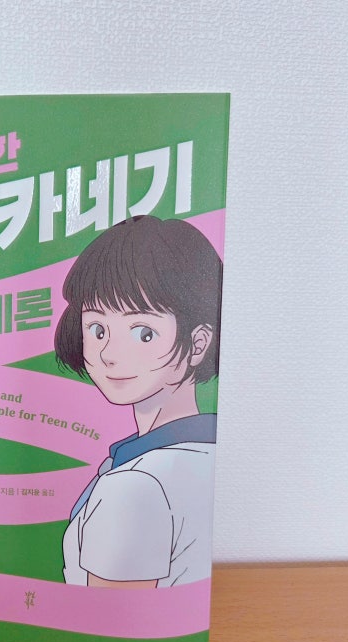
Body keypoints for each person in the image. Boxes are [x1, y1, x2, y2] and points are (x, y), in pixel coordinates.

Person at [55, 215, 222, 588]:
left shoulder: (135, 485)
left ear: (198, 343)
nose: (109, 354)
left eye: (143, 332)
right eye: (98, 329)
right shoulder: (206, 453)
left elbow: (111, 618)